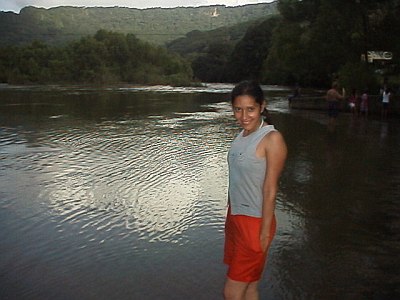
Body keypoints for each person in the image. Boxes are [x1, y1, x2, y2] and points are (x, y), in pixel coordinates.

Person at [224, 80, 287, 300]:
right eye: (238, 109)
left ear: (262, 106)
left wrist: (263, 232)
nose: (244, 116)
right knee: (249, 286)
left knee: (231, 292)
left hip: (256, 222)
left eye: (250, 109)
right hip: (236, 219)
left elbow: (270, 189)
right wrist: (230, 217)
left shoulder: (272, 139)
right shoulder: (241, 136)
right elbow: (237, 180)